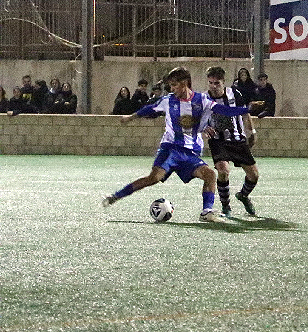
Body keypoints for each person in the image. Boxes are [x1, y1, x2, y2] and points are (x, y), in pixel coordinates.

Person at [100, 66, 247, 227]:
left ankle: (206, 212)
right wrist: (131, 117)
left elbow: (224, 110)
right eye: (170, 86)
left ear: (184, 83)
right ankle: (115, 196)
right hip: (170, 149)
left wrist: (248, 109)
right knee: (153, 178)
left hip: (189, 153)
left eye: (174, 85)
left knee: (210, 175)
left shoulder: (201, 100)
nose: (172, 89)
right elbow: (149, 109)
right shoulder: (168, 100)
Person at [205, 66, 260, 217]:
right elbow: (198, 117)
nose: (213, 86)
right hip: (218, 140)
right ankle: (226, 205)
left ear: (223, 82)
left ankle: (243, 195)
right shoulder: (204, 98)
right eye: (210, 83)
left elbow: (245, 114)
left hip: (237, 139)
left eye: (217, 83)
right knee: (223, 171)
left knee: (254, 175)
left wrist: (252, 132)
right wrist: (204, 127)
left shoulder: (234, 93)